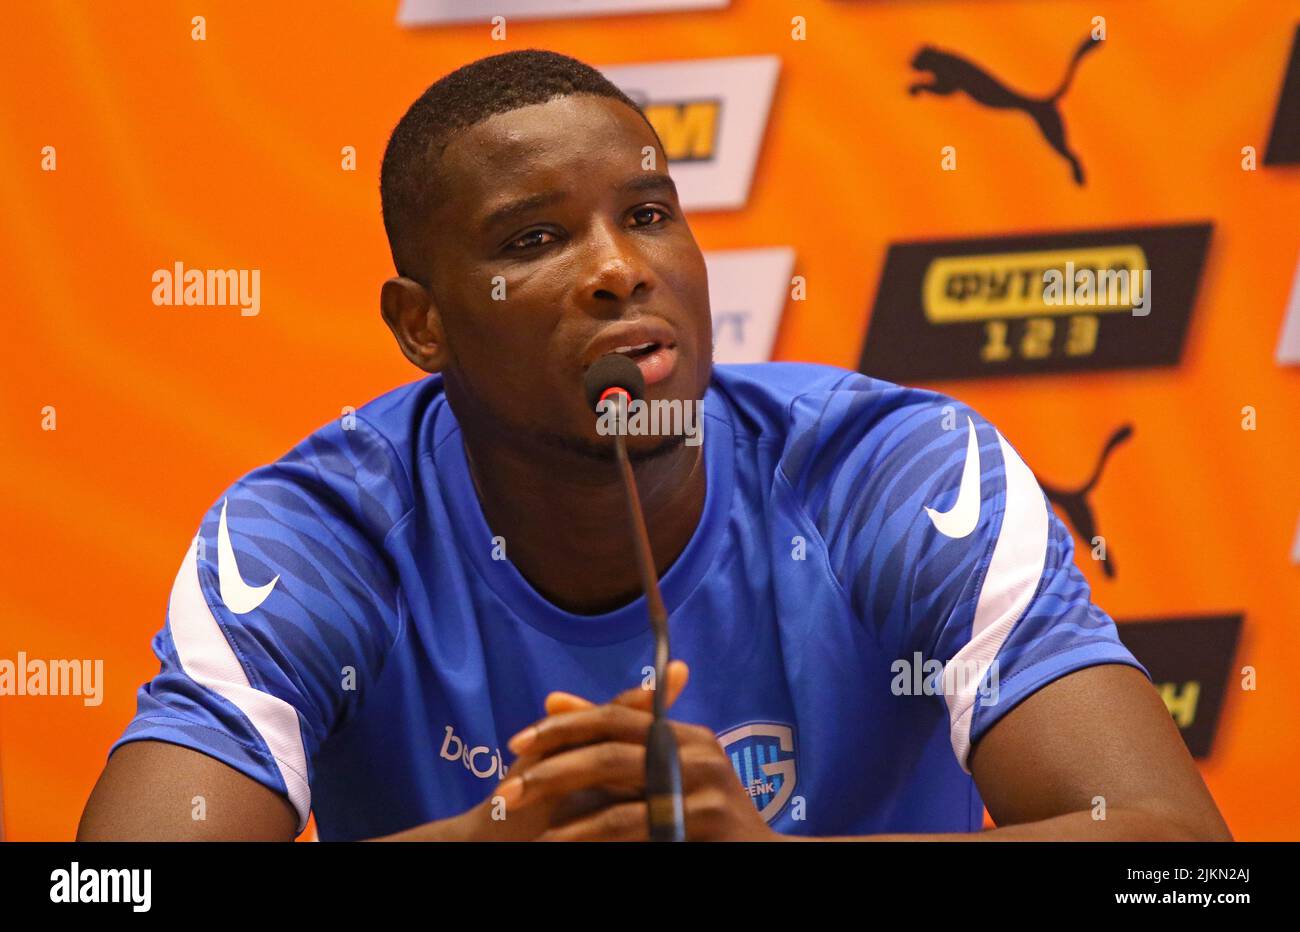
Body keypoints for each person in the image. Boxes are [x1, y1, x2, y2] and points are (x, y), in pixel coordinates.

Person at [78, 49, 1230, 842]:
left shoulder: (894, 472)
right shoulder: (314, 535)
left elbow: (1180, 864)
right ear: (421, 323)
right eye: (534, 236)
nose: (618, 269)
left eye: (645, 213)